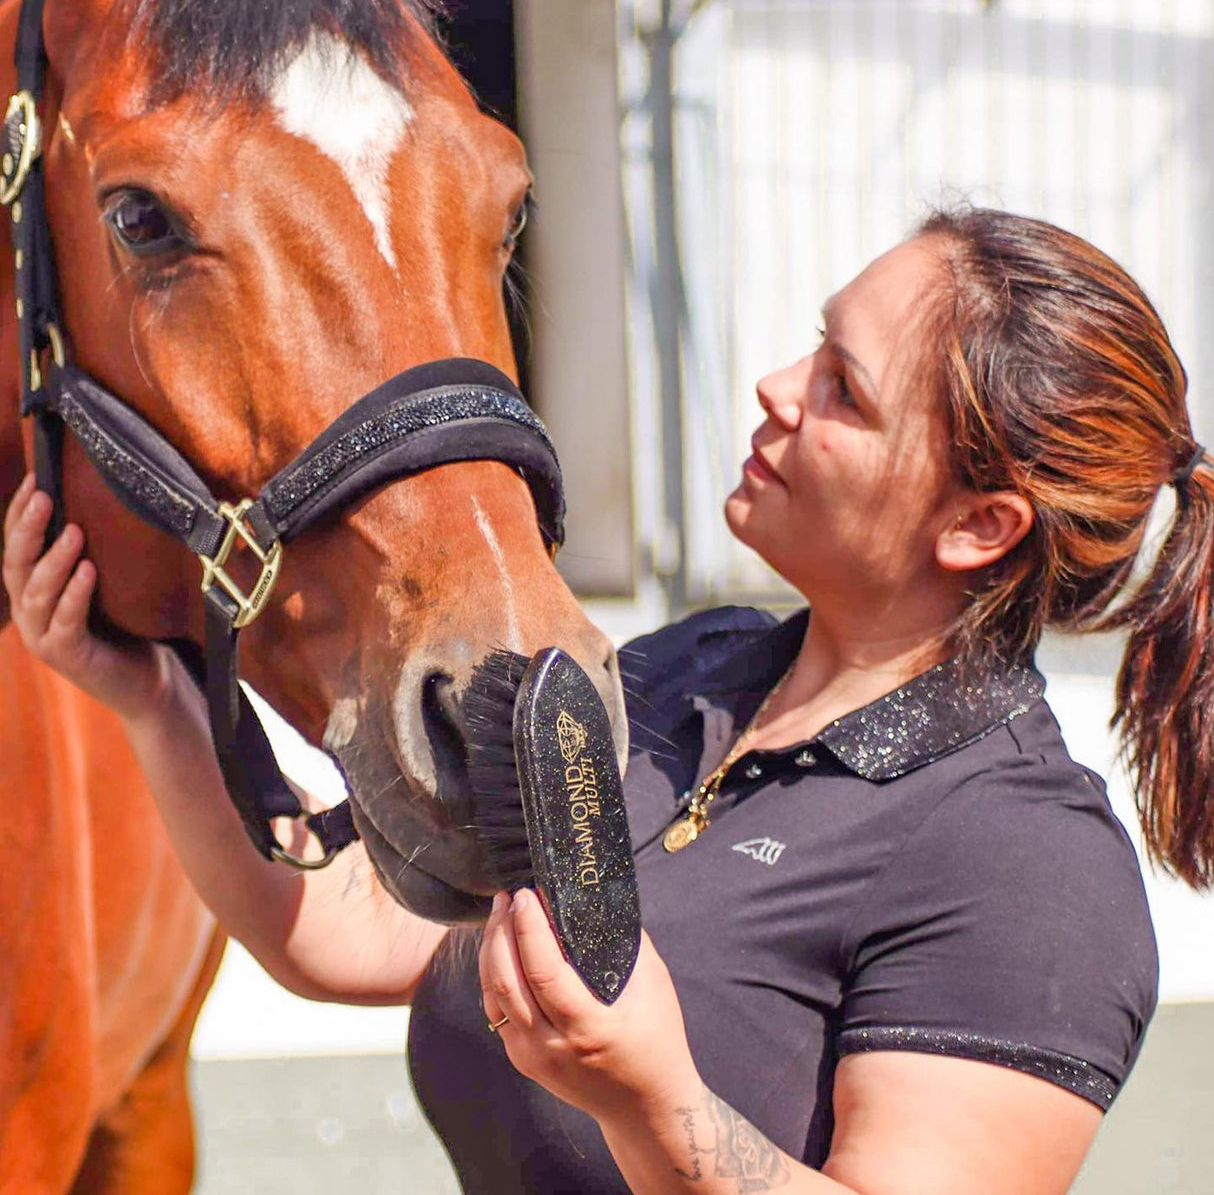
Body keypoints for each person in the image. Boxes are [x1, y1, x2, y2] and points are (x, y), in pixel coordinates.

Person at [7, 205, 1198, 1193]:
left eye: (842, 389)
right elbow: (357, 928)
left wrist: (658, 1102)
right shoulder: (691, 676)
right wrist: (151, 701)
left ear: (976, 525)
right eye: (810, 347)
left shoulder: (1027, 864)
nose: (777, 387)